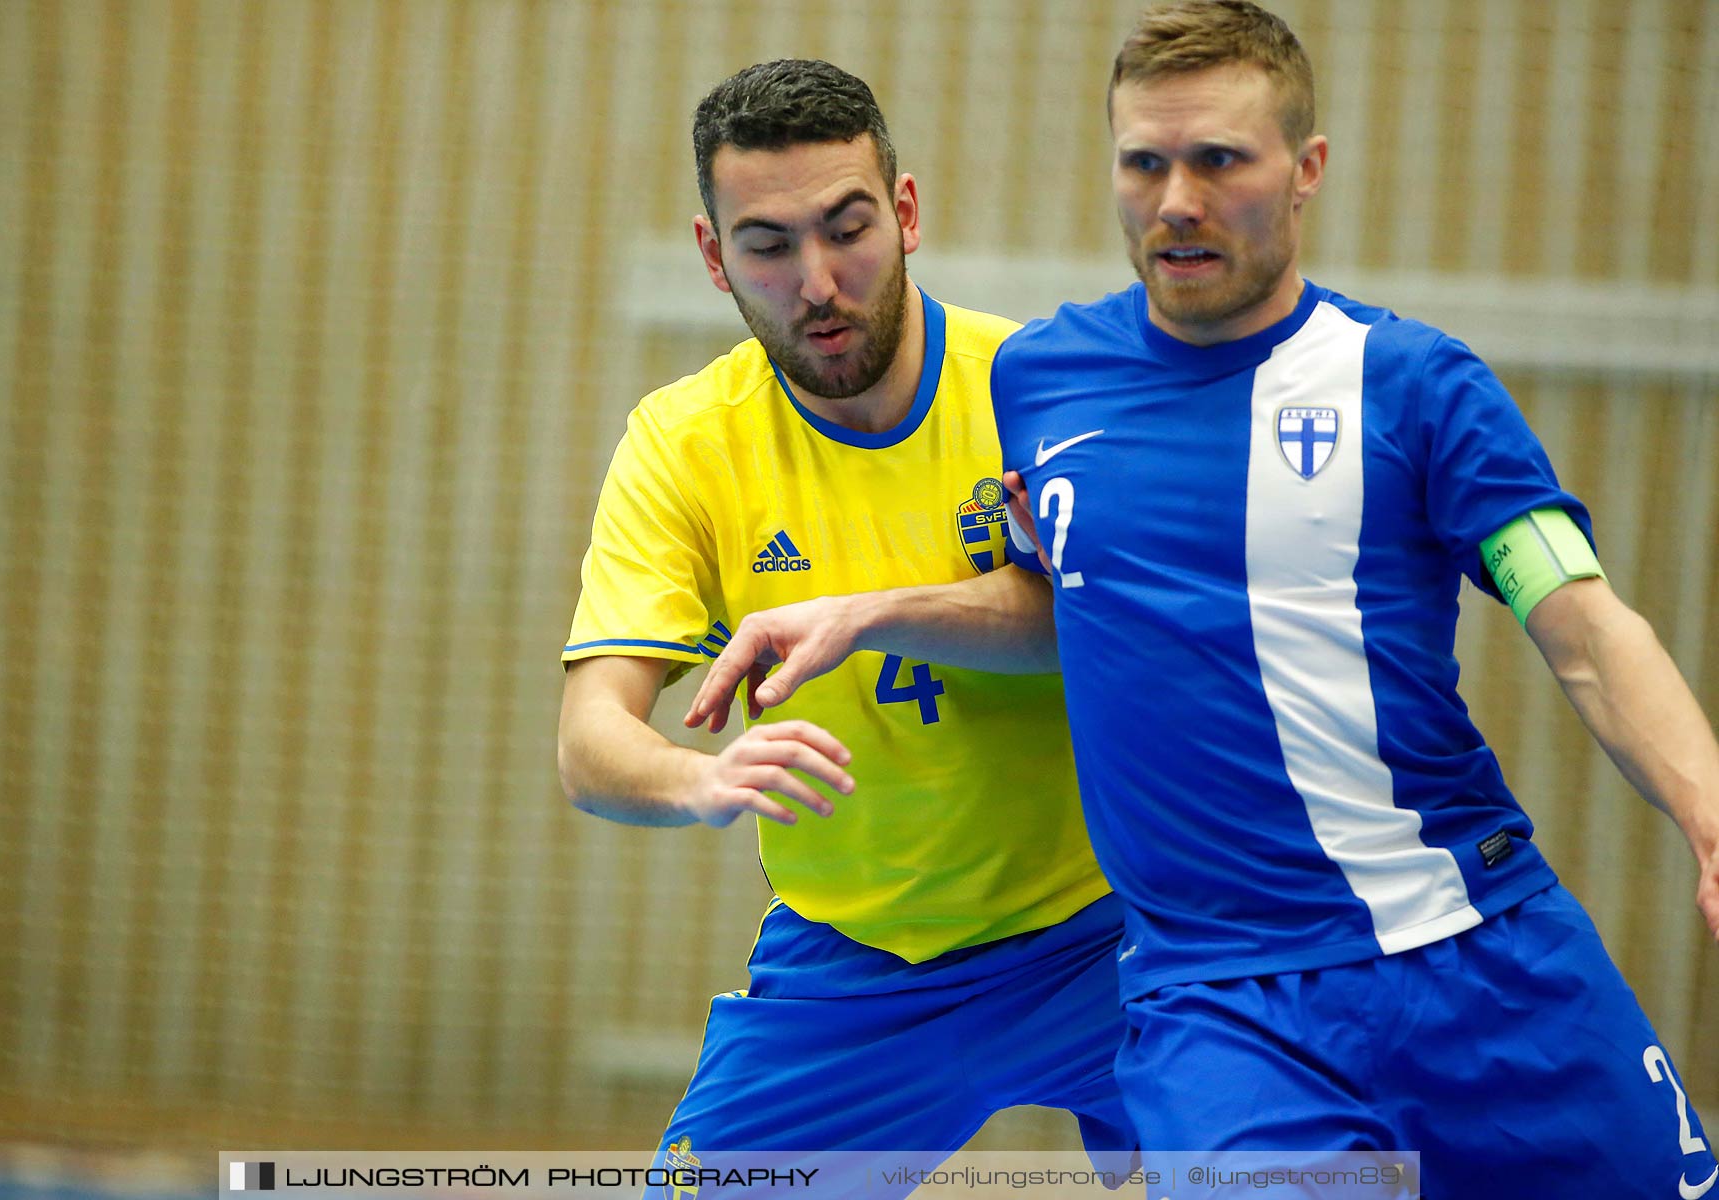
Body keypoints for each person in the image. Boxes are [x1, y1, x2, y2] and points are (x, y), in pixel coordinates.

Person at [685, 6, 1719, 1197]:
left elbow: (1585, 629)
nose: (1177, 198)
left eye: (1220, 160)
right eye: (1145, 162)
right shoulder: (1043, 382)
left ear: (1306, 171)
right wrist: (869, 612)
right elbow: (1063, 605)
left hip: (1482, 949)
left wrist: (1703, 814)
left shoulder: (1419, 387)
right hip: (1219, 1012)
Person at [556, 59, 1136, 1192]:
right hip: (858, 966)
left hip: (1114, 935)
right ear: (714, 257)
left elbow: (1110, 629)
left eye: (848, 227)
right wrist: (699, 782)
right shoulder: (687, 445)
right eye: (768, 246)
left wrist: (873, 616)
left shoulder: (1047, 390)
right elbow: (590, 742)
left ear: (906, 212)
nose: (818, 281)